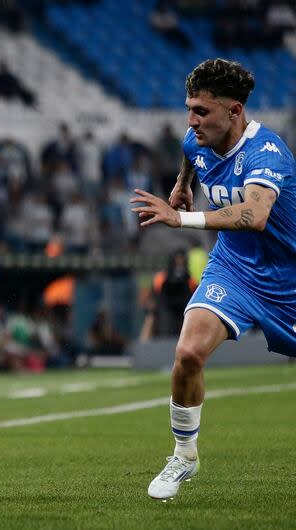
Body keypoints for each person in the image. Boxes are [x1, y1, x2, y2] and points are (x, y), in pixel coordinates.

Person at [130, 58, 296, 500]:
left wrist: (180, 215)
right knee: (187, 353)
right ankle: (184, 455)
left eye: (202, 111)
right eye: (189, 108)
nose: (191, 120)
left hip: (288, 281)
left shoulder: (267, 153)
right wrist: (183, 183)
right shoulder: (196, 139)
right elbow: (191, 152)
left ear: (235, 111)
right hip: (234, 269)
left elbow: (256, 215)